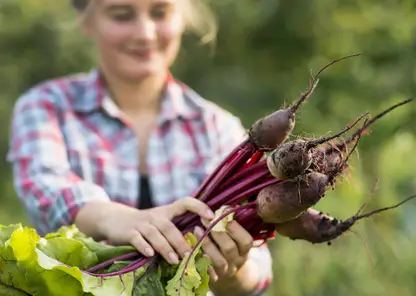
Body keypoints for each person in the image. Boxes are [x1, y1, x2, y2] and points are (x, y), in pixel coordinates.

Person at [7, 0, 273, 295]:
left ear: (182, 18)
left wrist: (232, 273)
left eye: (160, 13)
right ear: (87, 22)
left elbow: (257, 271)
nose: (145, 33)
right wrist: (118, 218)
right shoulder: (45, 107)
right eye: (122, 15)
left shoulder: (217, 127)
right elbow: (46, 187)